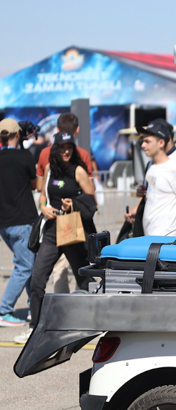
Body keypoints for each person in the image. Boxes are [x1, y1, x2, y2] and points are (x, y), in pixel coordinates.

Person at [23, 132, 96, 344]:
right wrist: (43, 208)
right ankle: (35, 327)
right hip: (52, 230)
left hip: (71, 228)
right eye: (62, 147)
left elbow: (92, 200)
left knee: (84, 279)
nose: (66, 151)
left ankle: (92, 321)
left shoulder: (79, 171)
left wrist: (73, 204)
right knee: (37, 280)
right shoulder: (49, 169)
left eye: (69, 147)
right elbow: (43, 196)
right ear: (54, 148)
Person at [0, 119, 37, 327]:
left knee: (30, 262)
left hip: (4, 223)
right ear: (18, 135)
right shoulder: (24, 156)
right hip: (22, 220)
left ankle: (35, 307)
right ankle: (4, 310)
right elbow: (34, 185)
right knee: (25, 266)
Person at [124, 122, 176, 236]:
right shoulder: (151, 166)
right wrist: (135, 210)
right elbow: (153, 196)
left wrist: (175, 229)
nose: (143, 145)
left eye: (147, 141)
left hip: (166, 239)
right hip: (149, 234)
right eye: (142, 141)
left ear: (161, 143)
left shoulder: (174, 169)